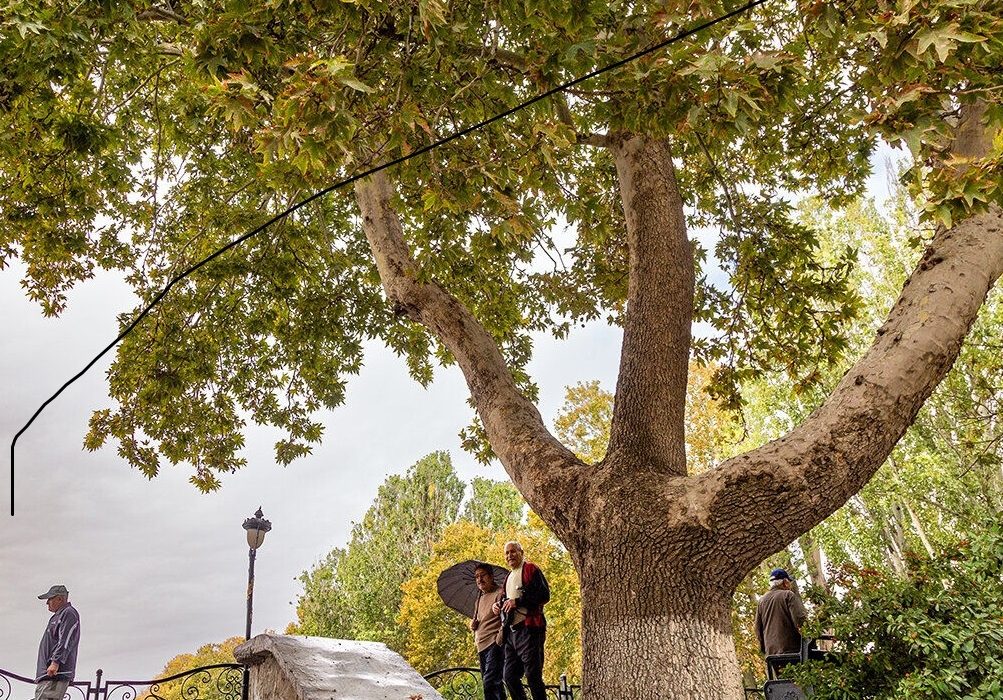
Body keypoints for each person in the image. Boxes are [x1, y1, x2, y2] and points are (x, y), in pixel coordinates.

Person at [493, 541, 549, 700]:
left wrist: (517, 602)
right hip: (511, 634)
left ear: (521, 552)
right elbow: (507, 601)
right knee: (509, 676)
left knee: (533, 676)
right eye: (506, 553)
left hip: (529, 629)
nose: (509, 555)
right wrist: (499, 605)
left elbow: (544, 596)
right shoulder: (508, 577)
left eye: (513, 551)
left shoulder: (531, 569)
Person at [754, 568, 807, 675]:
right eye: (789, 581)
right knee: (800, 684)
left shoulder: (762, 601)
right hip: (791, 650)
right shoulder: (788, 595)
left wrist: (765, 650)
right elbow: (800, 621)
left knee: (783, 686)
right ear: (785, 582)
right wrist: (809, 639)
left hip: (772, 654)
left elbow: (757, 629)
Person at [35, 585, 81, 700]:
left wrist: (55, 662)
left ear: (60, 599)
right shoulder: (58, 616)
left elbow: (66, 639)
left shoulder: (68, 613)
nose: (47, 603)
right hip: (48, 675)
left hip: (55, 675)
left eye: (50, 599)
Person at [469, 562, 506, 700]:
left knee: (490, 682)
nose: (479, 579)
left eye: (482, 575)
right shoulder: (478, 599)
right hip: (481, 646)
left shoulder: (500, 593)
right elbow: (479, 621)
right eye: (477, 577)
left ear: (491, 576)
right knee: (494, 685)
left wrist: (499, 640)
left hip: (494, 644)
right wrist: (473, 624)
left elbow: (506, 619)